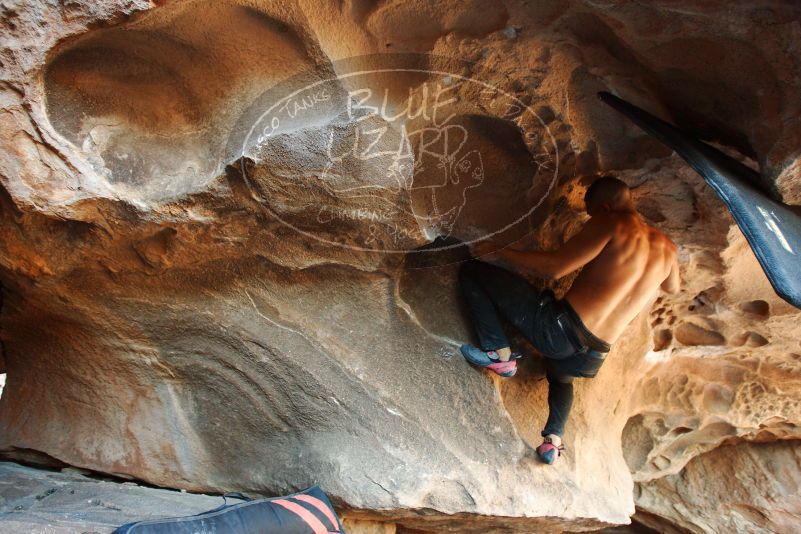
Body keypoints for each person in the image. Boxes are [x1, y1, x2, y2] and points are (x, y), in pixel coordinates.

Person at [459, 176, 680, 464]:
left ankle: (498, 354)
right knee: (561, 378)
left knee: (473, 272)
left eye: (591, 212)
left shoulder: (611, 222)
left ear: (604, 206)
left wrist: (499, 250)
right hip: (593, 355)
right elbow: (673, 288)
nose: (591, 219)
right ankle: (553, 440)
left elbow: (555, 268)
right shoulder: (668, 248)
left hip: (560, 331)